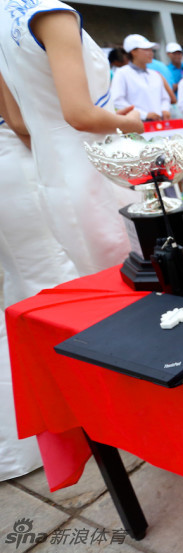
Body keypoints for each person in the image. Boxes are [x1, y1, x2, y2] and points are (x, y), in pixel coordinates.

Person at [0, 0, 144, 282]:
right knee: (123, 289)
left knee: (65, 287)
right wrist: (130, 122)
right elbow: (78, 113)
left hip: (50, 174)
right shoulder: (49, 11)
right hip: (90, 173)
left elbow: (18, 122)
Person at [0, 68, 78, 481]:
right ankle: (68, 413)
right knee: (48, 286)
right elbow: (16, 120)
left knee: (19, 287)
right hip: (9, 162)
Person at [111, 34, 171, 120]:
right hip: (137, 124)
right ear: (133, 52)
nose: (151, 53)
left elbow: (165, 98)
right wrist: (144, 115)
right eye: (146, 49)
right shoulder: (122, 73)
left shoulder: (154, 74)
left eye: (151, 50)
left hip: (160, 123)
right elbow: (117, 100)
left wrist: (165, 110)